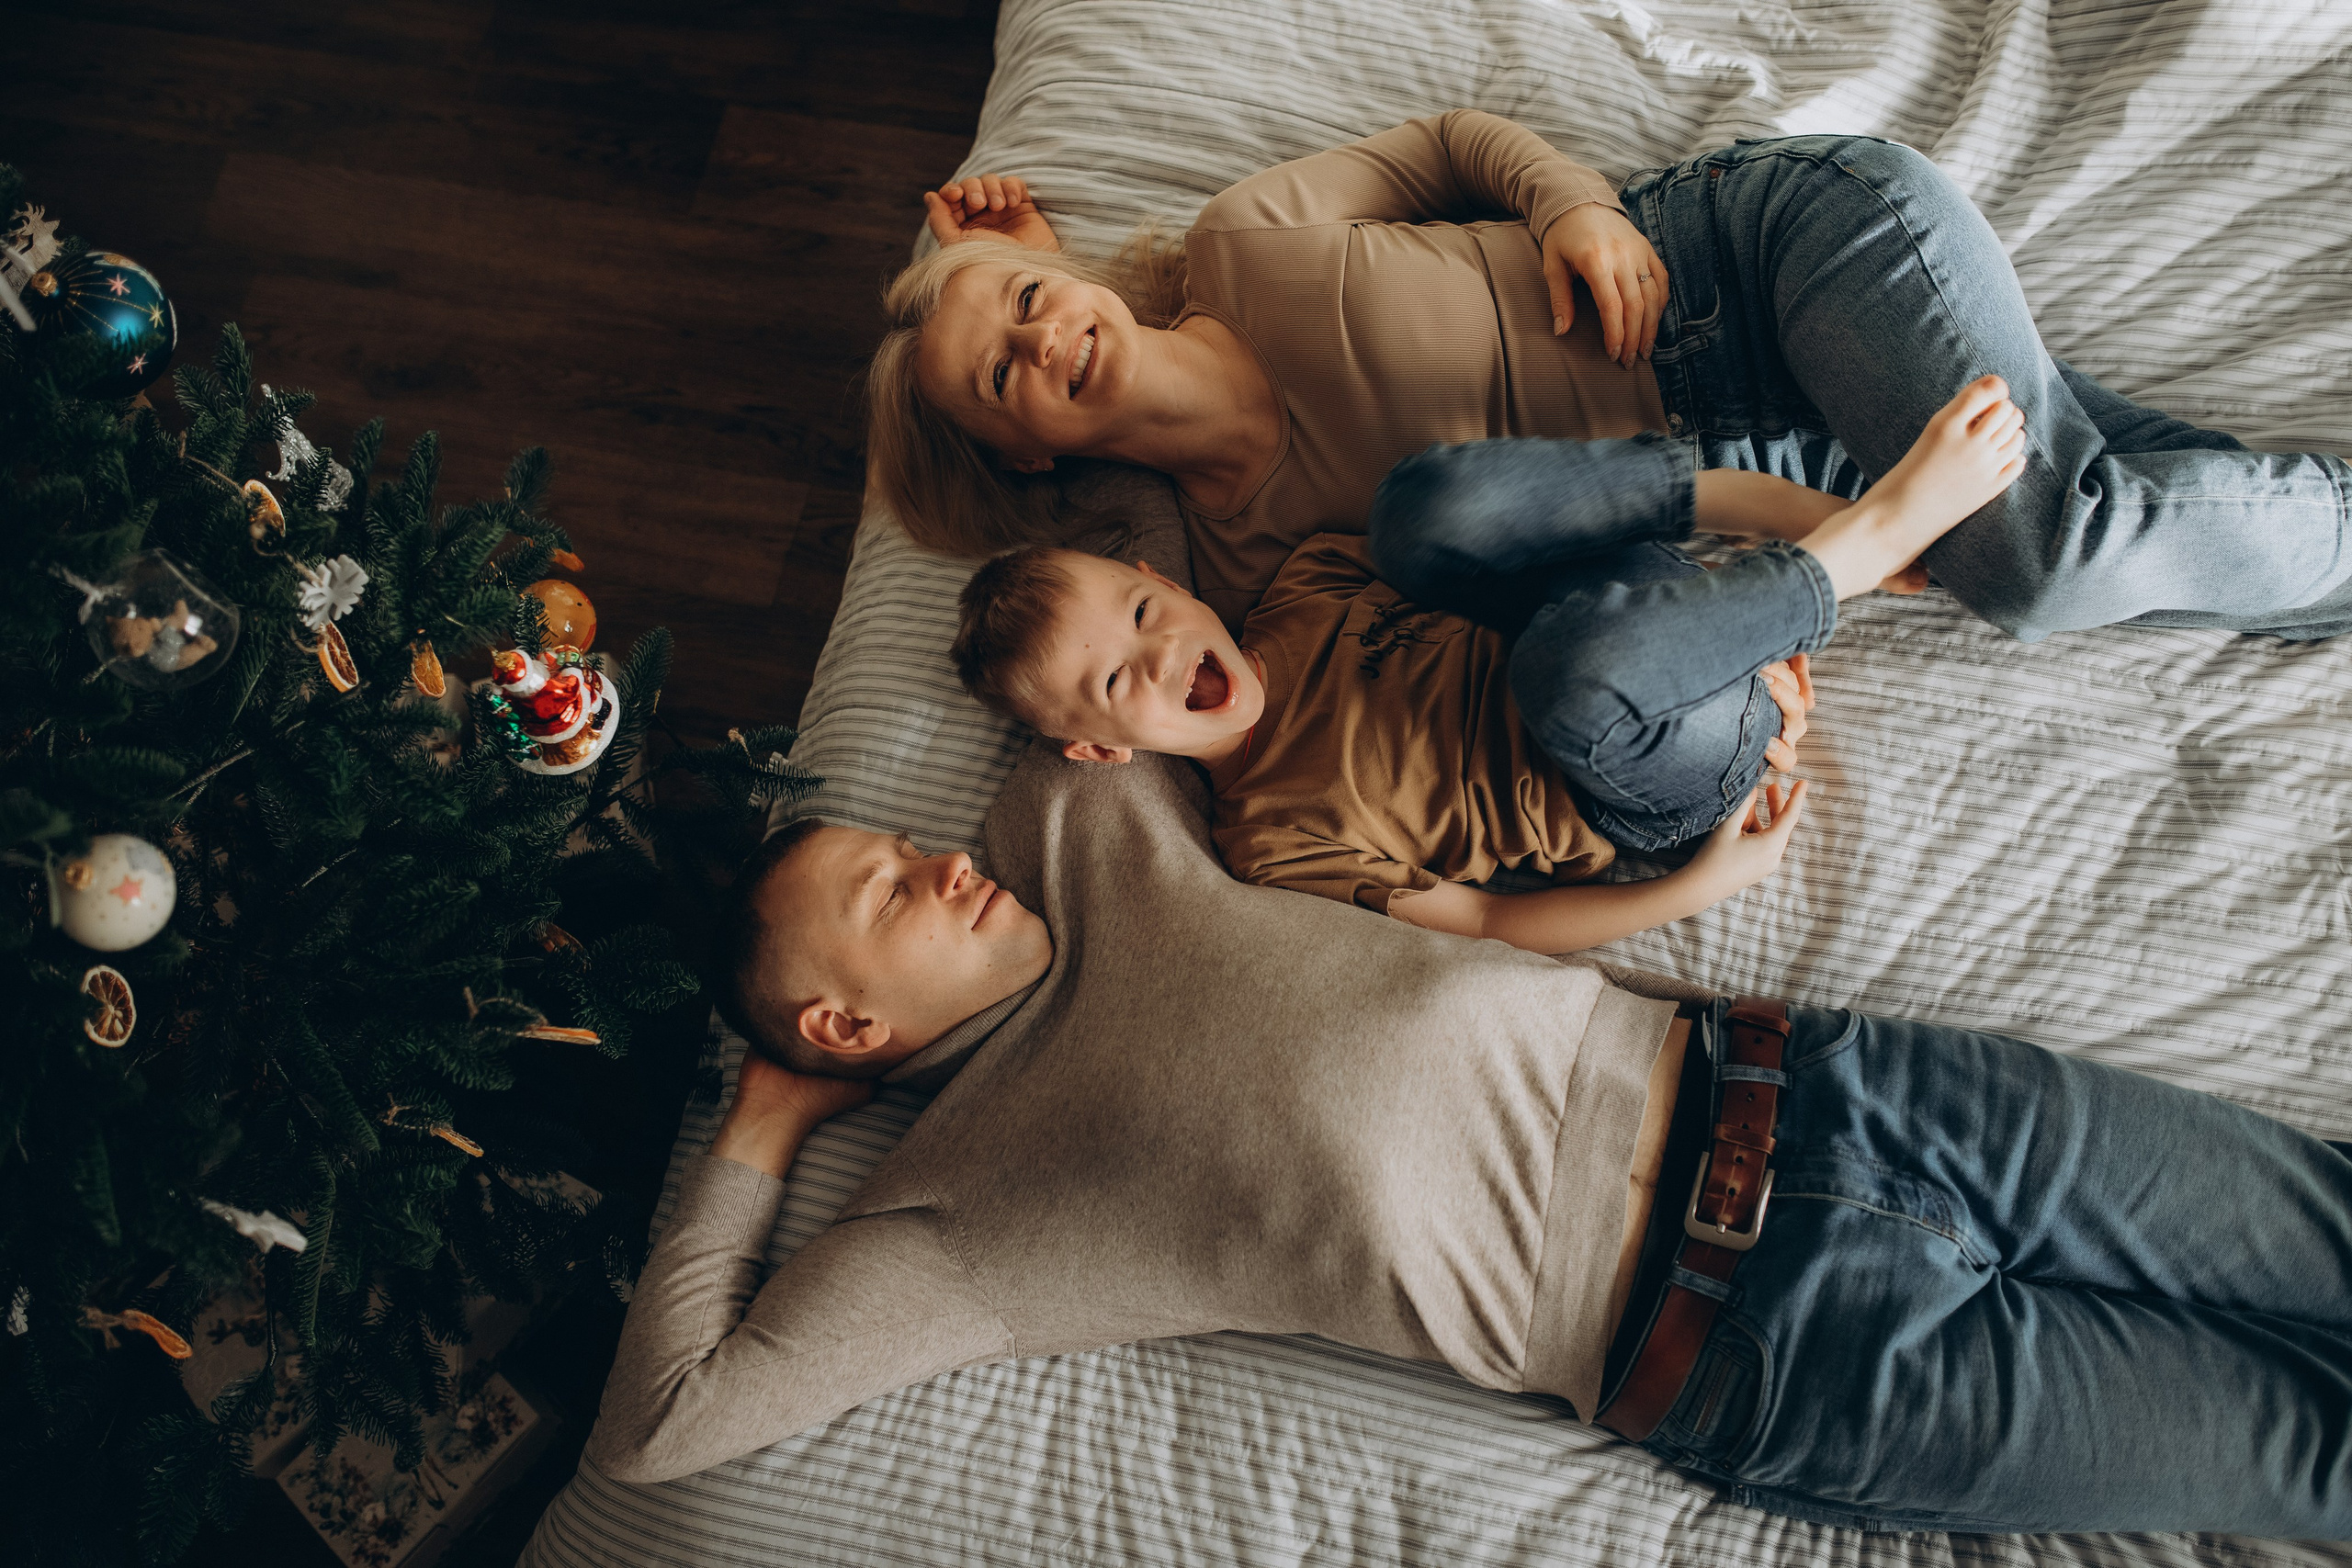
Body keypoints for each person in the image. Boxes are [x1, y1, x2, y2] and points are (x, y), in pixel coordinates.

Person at [585, 750, 2352, 1538]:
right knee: (2315, 1453)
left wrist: (1022, 273)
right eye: (889, 892)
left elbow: (1109, 522)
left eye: (902, 837)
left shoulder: (1071, 810)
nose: (934, 859)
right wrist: (758, 1129)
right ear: (842, 1028)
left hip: (1834, 1087)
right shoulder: (954, 1219)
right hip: (1784, 1355)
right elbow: (668, 1429)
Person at [870, 113, 2352, 645]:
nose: (1040, 340)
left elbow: (1455, 144)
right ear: (1021, 456)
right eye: (1004, 378)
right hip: (1784, 472)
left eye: (1024, 304)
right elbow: (1096, 626)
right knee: (2129, 517)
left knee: (2037, 560)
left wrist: (1572, 205)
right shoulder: (1239, 561)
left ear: (1053, 270)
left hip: (1757, 263)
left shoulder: (1240, 245)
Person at [950, 378, 2026, 929]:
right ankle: (1860, 546)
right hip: (1637, 769)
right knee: (1561, 676)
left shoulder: (1302, 590)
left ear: (1172, 587)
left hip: (1628, 617)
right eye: (1111, 684)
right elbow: (1483, 920)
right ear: (1099, 752)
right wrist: (1695, 890)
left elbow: (1504, 540)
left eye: (1143, 616)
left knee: (1417, 509)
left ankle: (1753, 522)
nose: (1156, 659)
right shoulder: (1270, 840)